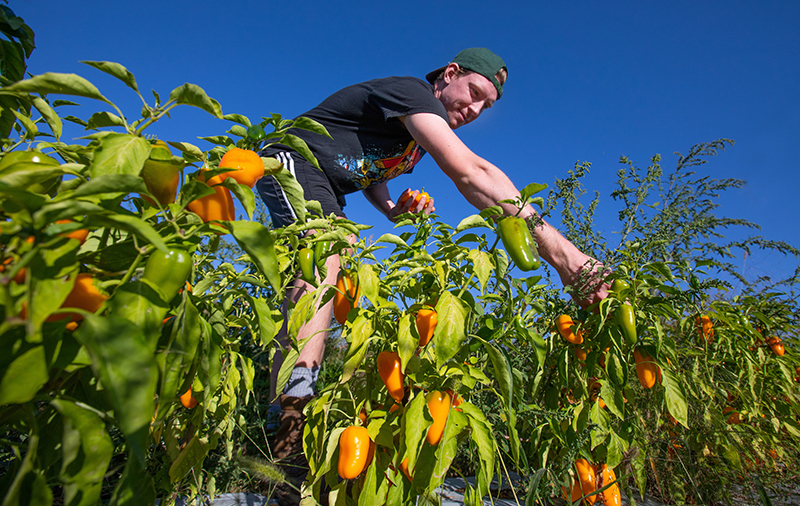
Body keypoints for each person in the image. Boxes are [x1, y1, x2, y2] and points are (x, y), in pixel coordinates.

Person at [255, 47, 607, 502]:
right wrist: (566, 256)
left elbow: (368, 168)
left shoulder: (412, 137)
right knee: (324, 260)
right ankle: (288, 418)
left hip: (329, 185)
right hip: (291, 159)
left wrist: (390, 209)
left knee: (341, 271)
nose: (476, 109)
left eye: (487, 106)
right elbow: (470, 172)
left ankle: (304, 412)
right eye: (475, 93)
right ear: (450, 74)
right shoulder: (412, 92)